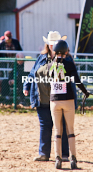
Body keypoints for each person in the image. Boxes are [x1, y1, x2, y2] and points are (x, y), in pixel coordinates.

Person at [23, 31, 69, 162]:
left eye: (55, 44)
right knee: (45, 126)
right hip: (42, 98)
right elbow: (32, 74)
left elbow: (72, 78)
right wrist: (26, 86)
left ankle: (64, 154)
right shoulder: (41, 58)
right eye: (51, 44)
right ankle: (44, 153)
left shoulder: (67, 59)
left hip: (60, 100)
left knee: (62, 127)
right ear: (48, 45)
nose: (53, 46)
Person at [48, 40, 89, 169]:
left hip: (54, 100)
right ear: (66, 51)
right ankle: (72, 158)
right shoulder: (69, 63)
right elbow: (77, 81)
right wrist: (85, 92)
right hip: (68, 100)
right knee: (70, 130)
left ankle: (57, 158)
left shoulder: (50, 65)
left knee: (57, 131)